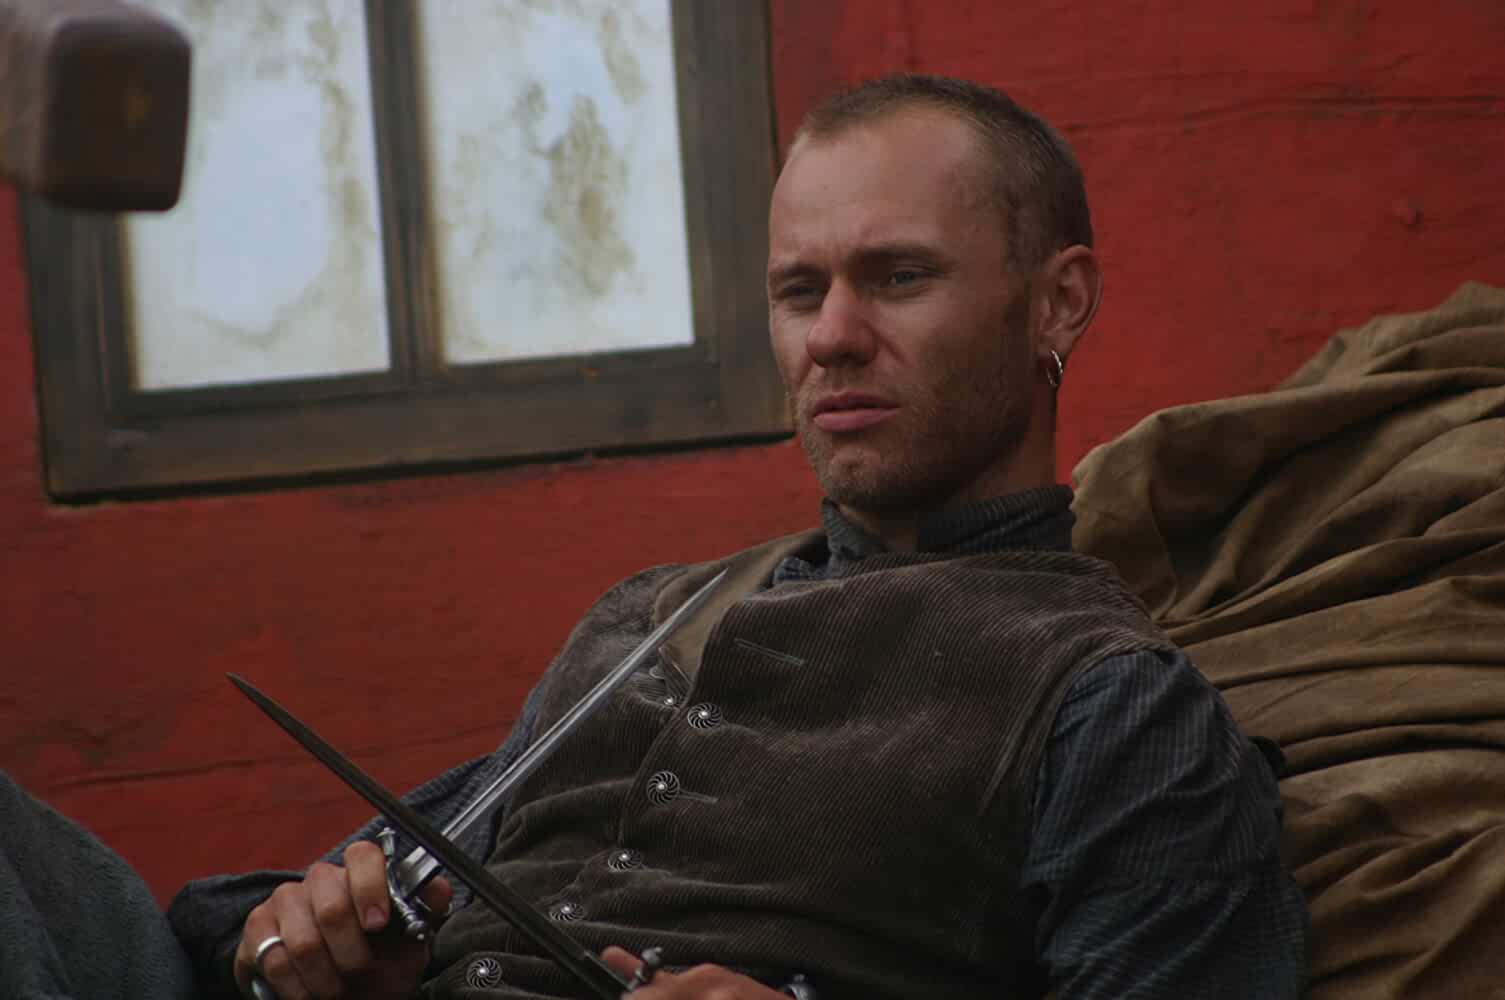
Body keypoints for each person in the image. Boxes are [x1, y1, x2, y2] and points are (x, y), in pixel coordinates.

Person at [5, 74, 1309, 999]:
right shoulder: (654, 612)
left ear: (1057, 303)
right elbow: (277, 907)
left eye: (898, 277)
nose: (831, 337)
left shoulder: (1111, 703)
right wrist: (298, 943)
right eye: (799, 291)